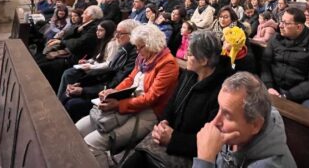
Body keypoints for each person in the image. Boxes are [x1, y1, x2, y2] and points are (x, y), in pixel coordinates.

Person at [123, 31, 233, 168]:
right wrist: (164, 121)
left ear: (204, 60)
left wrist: (173, 139)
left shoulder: (224, 91)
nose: (185, 56)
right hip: (165, 142)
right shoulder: (190, 74)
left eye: (190, 54)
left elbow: (213, 140)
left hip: (189, 154)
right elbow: (171, 103)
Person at [75, 24, 179, 166]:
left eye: (139, 47)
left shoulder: (168, 64)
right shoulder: (143, 57)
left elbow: (151, 98)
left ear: (151, 43)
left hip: (148, 112)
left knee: (92, 143)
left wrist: (119, 104)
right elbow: (130, 79)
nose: (137, 50)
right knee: (78, 128)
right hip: (130, 102)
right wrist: (113, 92)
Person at [192, 72, 296, 168]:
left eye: (227, 115)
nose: (214, 122)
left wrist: (204, 160)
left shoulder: (270, 165)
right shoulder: (237, 137)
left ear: (255, 125)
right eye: (219, 108)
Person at [59, 19, 139, 122]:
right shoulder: (123, 49)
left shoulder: (132, 54)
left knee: (72, 103)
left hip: (110, 93)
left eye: (120, 33)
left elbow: (116, 81)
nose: (116, 36)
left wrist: (84, 90)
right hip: (104, 85)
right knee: (67, 93)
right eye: (116, 32)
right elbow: (107, 70)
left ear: (132, 35)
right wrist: (81, 84)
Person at [261, 7, 309, 112]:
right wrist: (269, 86)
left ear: (298, 27)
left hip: (304, 94)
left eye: (285, 23)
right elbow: (265, 64)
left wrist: (286, 96)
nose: (280, 25)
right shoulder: (276, 37)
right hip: (274, 87)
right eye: (281, 21)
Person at [37, 5, 103, 92]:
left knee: (43, 66)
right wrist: (77, 30)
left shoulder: (94, 27)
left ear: (93, 16)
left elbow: (79, 43)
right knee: (40, 59)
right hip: (71, 52)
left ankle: (48, 91)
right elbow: (66, 35)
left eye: (85, 13)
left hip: (78, 57)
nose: (82, 15)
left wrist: (61, 42)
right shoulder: (84, 25)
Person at [57, 20, 116, 100]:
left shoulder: (112, 44)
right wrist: (88, 61)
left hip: (100, 71)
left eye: (101, 30)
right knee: (68, 72)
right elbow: (98, 57)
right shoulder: (103, 40)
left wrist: (91, 66)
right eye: (97, 30)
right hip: (94, 67)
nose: (97, 32)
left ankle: (61, 98)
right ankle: (63, 96)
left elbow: (109, 64)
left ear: (108, 31)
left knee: (68, 74)